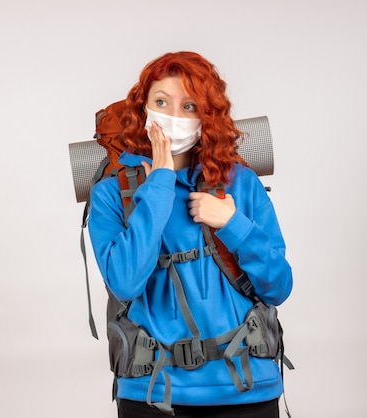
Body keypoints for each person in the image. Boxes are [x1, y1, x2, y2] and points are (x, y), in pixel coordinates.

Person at [87, 51, 293, 418]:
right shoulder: (110, 193)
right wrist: (161, 184)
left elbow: (278, 287)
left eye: (189, 106)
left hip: (246, 390)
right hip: (153, 394)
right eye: (161, 102)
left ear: (206, 117)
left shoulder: (241, 184)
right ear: (143, 109)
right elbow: (124, 283)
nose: (173, 117)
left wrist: (233, 223)